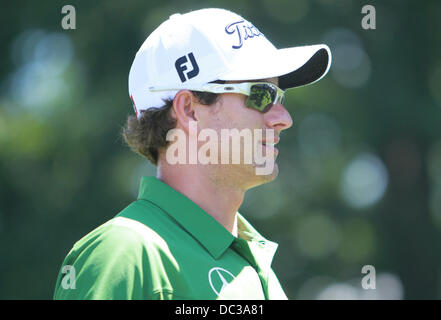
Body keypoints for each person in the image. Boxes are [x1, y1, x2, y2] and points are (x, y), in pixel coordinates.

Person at [53, 8, 331, 300]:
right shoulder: (124, 255)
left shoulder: (258, 269)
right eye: (261, 94)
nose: (283, 118)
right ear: (189, 110)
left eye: (279, 97)